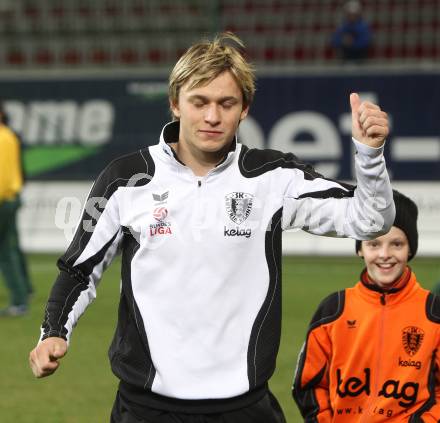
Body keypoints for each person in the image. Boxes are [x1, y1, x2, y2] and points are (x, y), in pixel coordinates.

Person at [29, 32, 394, 423]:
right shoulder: (125, 178)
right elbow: (79, 269)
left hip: (245, 408)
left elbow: (369, 219)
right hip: (146, 408)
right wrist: (53, 332)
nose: (212, 117)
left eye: (226, 103)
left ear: (244, 110)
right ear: (175, 104)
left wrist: (369, 156)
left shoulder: (274, 177)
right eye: (199, 102)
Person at [293, 190, 440, 422]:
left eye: (397, 244)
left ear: (410, 249)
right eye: (374, 244)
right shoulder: (334, 310)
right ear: (360, 249)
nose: (384, 254)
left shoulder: (433, 311)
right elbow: (309, 384)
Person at [0, 101, 33, 317]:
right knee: (11, 247)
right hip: (11, 197)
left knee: (5, 251)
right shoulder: (9, 135)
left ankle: (20, 300)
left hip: (3, 199)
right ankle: (25, 290)